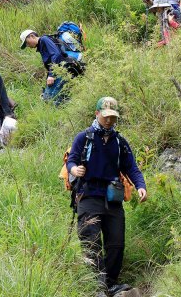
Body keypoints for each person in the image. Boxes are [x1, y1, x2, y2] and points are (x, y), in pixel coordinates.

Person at [66, 97, 147, 296]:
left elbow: (132, 168)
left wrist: (140, 186)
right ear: (97, 114)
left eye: (113, 117)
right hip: (88, 195)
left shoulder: (119, 142)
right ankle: (97, 287)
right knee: (91, 242)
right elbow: (72, 160)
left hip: (113, 197)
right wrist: (74, 169)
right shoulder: (84, 137)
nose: (109, 121)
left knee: (116, 244)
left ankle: (110, 284)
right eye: (106, 116)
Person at [19, 29, 74, 105]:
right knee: (54, 99)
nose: (28, 46)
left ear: (32, 36)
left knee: (49, 100)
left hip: (62, 71)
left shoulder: (44, 39)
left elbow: (56, 54)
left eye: (27, 43)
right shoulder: (41, 45)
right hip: (59, 72)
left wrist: (51, 75)